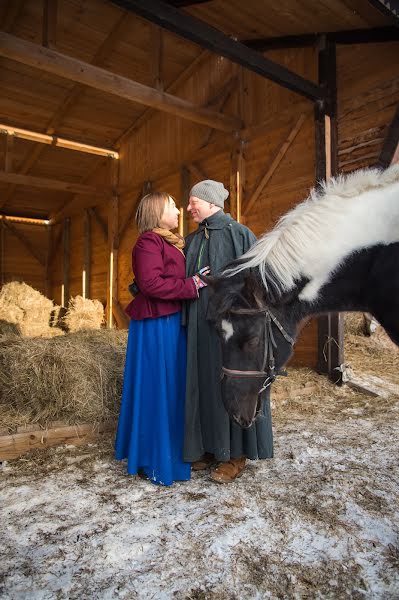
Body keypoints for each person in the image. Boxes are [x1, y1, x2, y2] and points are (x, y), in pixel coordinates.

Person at [183, 180, 274, 483]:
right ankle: (212, 446)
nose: (188, 207)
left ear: (210, 202)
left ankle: (237, 454)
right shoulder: (193, 240)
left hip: (232, 331)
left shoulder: (240, 235)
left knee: (234, 385)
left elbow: (258, 281)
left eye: (193, 201)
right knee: (205, 384)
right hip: (199, 326)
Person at [115, 192, 208, 486]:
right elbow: (151, 284)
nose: (179, 211)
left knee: (172, 388)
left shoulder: (173, 242)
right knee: (158, 388)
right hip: (156, 323)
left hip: (172, 322)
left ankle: (171, 452)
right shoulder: (148, 242)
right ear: (157, 212)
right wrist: (191, 284)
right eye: (172, 206)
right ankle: (153, 458)